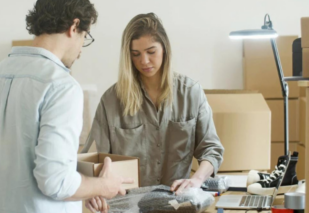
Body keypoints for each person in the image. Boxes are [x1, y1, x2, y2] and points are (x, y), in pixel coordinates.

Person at [0, 0, 132, 213]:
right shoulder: (62, 86)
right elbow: (55, 181)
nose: (80, 51)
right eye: (84, 37)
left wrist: (77, 189)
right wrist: (103, 186)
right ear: (74, 26)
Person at [83, 13, 224, 212]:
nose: (144, 61)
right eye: (136, 54)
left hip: (177, 203)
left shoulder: (191, 93)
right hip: (126, 205)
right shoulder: (111, 100)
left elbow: (212, 149)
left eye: (151, 51)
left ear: (164, 49)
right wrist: (93, 190)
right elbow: (92, 159)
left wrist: (196, 180)